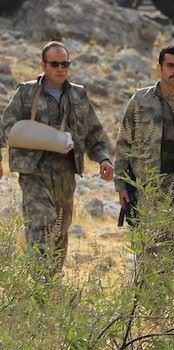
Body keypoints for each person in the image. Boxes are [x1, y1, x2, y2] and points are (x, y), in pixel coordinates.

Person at [0, 41, 114, 274]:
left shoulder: (78, 95)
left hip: (65, 172)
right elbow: (8, 127)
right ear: (43, 65)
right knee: (42, 223)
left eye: (65, 64)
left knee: (60, 229)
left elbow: (93, 132)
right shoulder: (26, 92)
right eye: (54, 64)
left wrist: (104, 159)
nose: (60, 68)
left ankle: (52, 283)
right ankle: (40, 282)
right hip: (34, 171)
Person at [113, 45, 174, 258]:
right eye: (170, 65)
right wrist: (121, 185)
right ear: (159, 67)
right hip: (147, 188)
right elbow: (124, 143)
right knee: (148, 253)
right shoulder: (140, 100)